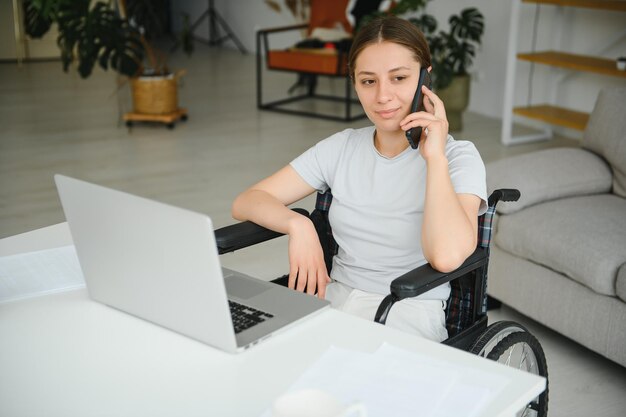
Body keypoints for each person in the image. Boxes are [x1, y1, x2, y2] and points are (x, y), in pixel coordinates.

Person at [232, 16, 487, 342]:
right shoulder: (342, 147)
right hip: (333, 299)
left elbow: (446, 256)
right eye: (368, 81)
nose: (383, 96)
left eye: (399, 78)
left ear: (425, 78)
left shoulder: (458, 158)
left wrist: (434, 158)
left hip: (407, 310)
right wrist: (298, 225)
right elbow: (247, 200)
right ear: (354, 83)